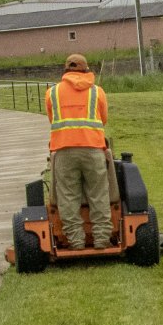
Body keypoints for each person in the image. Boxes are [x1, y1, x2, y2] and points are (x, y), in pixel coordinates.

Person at [44, 53, 112, 250]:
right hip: (93, 148)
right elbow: (104, 119)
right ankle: (101, 239)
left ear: (65, 70)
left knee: (67, 197)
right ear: (86, 70)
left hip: (63, 150)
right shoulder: (97, 92)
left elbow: (52, 119)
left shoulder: (52, 93)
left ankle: (76, 241)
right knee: (99, 194)